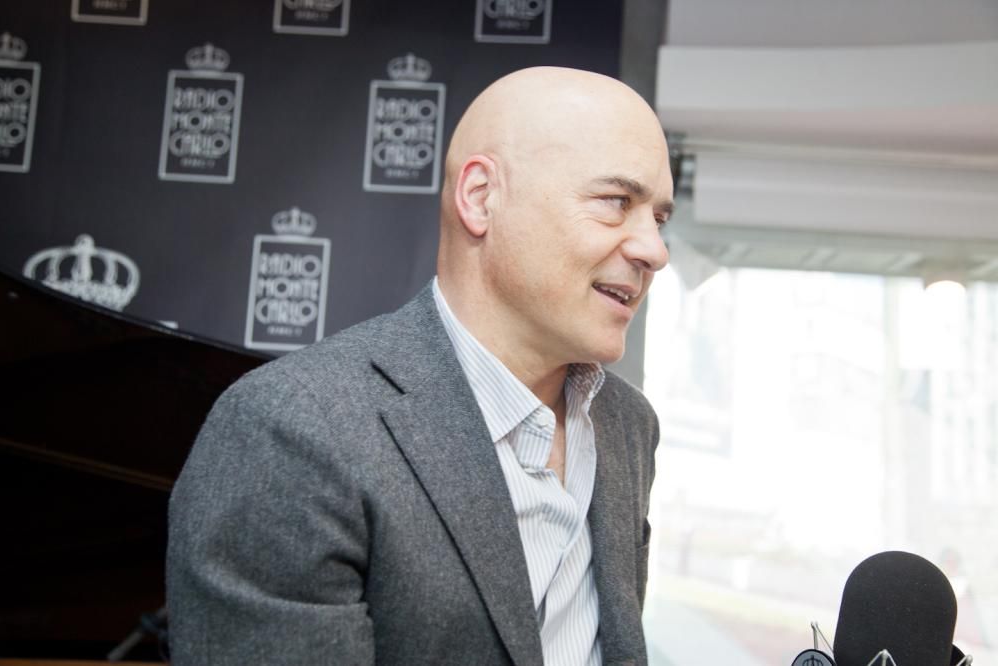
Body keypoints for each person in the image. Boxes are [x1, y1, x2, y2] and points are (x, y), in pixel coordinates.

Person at [167, 66, 673, 666]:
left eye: (659, 218)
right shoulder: (290, 430)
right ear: (481, 197)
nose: (655, 250)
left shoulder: (629, 425)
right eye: (616, 202)